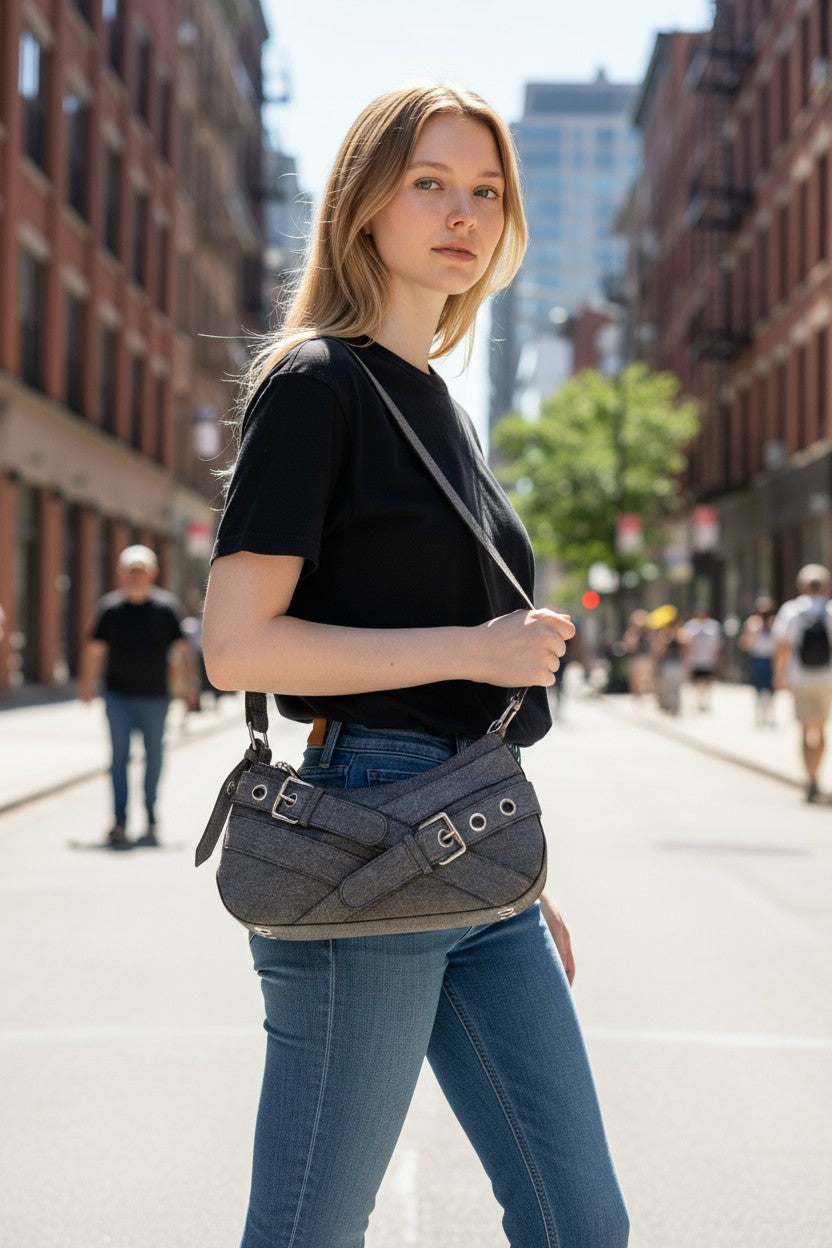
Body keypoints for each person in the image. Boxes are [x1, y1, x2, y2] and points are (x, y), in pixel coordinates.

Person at [202, 84, 628, 1248]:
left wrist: (519, 873)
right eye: (429, 183)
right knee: (308, 1231)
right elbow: (234, 644)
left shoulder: (440, 405)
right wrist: (475, 648)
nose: (464, 213)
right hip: (360, 839)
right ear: (363, 205)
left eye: (486, 191)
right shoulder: (316, 385)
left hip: (472, 836)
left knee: (580, 1222)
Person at [79, 544, 196, 845]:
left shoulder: (167, 608)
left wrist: (191, 687)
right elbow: (94, 650)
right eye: (130, 570)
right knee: (118, 758)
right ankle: (119, 821)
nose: (136, 576)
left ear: (153, 573)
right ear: (120, 573)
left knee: (154, 756)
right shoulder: (109, 609)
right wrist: (87, 684)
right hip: (117, 695)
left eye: (141, 570)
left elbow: (183, 651)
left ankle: (151, 813)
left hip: (156, 697)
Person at [773, 564, 832, 803]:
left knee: (805, 729)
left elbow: (783, 647)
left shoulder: (791, 611)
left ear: (802, 587)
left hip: (800, 678)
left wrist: (779, 674)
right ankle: (816, 772)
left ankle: (810, 778)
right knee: (820, 729)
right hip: (827, 680)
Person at [739, 595, 777, 726]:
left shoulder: (775, 623)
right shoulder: (753, 623)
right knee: (758, 688)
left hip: (771, 659)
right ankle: (760, 715)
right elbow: (746, 643)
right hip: (758, 658)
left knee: (771, 689)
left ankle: (769, 714)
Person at [684, 606, 722, 711]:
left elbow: (717, 644)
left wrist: (717, 660)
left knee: (707, 681)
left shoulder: (713, 625)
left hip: (708, 659)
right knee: (696, 682)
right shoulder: (691, 625)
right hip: (695, 659)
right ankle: (697, 702)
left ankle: (706, 701)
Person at [621, 609, 654, 699]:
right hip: (635, 659)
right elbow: (629, 646)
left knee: (646, 680)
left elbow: (653, 646)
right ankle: (637, 697)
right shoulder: (632, 633)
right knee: (635, 680)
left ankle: (644, 696)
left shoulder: (648, 633)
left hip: (646, 658)